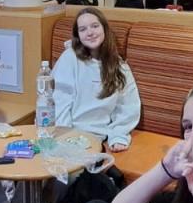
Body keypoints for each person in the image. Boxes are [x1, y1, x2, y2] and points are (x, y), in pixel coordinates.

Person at [51, 9, 140, 153]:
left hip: (97, 138)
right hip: (68, 134)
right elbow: (59, 100)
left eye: (94, 26)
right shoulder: (69, 58)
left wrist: (118, 136)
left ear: (104, 28)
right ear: (78, 36)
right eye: (83, 29)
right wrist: (65, 137)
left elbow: (128, 106)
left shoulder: (119, 66)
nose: (90, 33)